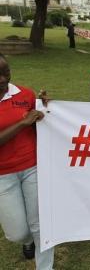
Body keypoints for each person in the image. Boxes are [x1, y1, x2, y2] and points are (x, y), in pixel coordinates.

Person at [0, 53, 55, 269]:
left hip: (32, 166)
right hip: (3, 175)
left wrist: (46, 108)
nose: (3, 79)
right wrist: (23, 124)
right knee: (18, 232)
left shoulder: (24, 94)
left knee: (40, 224)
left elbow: (38, 121)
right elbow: (25, 123)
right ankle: (27, 240)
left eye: (6, 72)